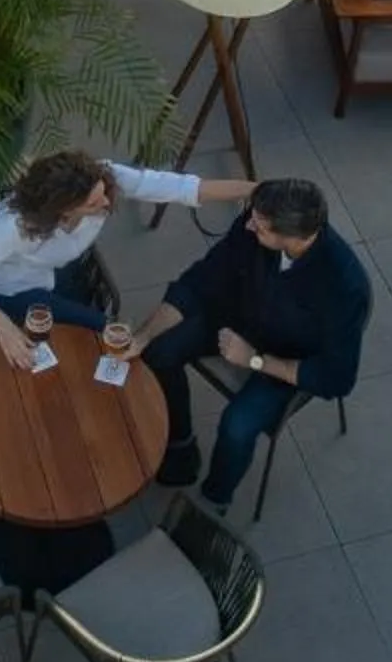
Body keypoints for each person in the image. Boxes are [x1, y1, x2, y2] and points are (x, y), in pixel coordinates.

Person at [129, 177, 368, 513]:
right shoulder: (253, 225)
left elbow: (337, 377)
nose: (249, 224)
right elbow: (201, 280)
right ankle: (181, 446)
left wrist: (255, 360)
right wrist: (143, 335)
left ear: (296, 237)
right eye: (253, 217)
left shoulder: (344, 286)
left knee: (237, 426)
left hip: (285, 357)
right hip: (236, 316)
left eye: (261, 225)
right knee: (159, 351)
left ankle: (214, 499)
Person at [0, 150, 257, 370]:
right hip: (13, 290)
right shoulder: (14, 227)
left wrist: (256, 190)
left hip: (54, 270)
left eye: (103, 192)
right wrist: (5, 329)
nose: (107, 202)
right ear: (63, 211)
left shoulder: (104, 178)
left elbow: (179, 188)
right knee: (104, 334)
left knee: (98, 337)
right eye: (94, 203)